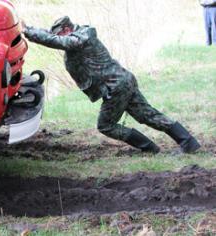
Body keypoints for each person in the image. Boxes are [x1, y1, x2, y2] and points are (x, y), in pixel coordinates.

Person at [22, 16, 201, 154]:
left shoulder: (82, 37)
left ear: (67, 29)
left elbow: (58, 41)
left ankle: (150, 148)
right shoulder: (76, 37)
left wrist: (29, 33)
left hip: (116, 86)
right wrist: (28, 29)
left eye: (60, 34)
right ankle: (187, 142)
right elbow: (52, 37)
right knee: (147, 115)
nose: (58, 38)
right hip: (122, 81)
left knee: (105, 125)